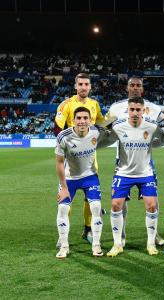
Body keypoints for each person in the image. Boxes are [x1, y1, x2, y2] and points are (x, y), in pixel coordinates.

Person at [99, 76, 164, 248]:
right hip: (123, 160)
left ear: (142, 89)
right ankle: (122, 236)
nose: (135, 88)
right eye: (132, 85)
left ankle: (154, 235)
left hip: (146, 161)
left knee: (152, 200)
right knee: (120, 200)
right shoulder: (116, 108)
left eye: (138, 85)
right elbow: (105, 127)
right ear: (127, 88)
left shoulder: (153, 108)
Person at [54, 73, 105, 245]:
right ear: (75, 86)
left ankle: (88, 230)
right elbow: (57, 128)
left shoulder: (94, 104)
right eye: (80, 84)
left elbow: (101, 124)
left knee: (89, 199)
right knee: (65, 197)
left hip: (90, 160)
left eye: (86, 84)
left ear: (90, 87)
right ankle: (63, 237)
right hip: (71, 160)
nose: (83, 87)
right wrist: (65, 149)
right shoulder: (66, 104)